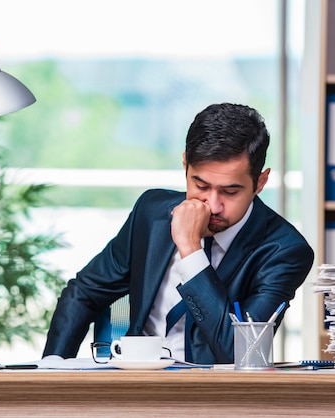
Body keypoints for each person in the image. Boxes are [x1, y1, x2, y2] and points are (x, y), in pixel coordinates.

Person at [42, 102, 314, 364]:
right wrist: (51, 371)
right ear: (185, 166)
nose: (213, 205)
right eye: (201, 185)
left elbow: (239, 352)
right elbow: (85, 293)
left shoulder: (285, 251)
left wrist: (190, 249)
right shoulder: (152, 213)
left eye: (231, 192)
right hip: (135, 386)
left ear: (260, 182)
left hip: (212, 398)